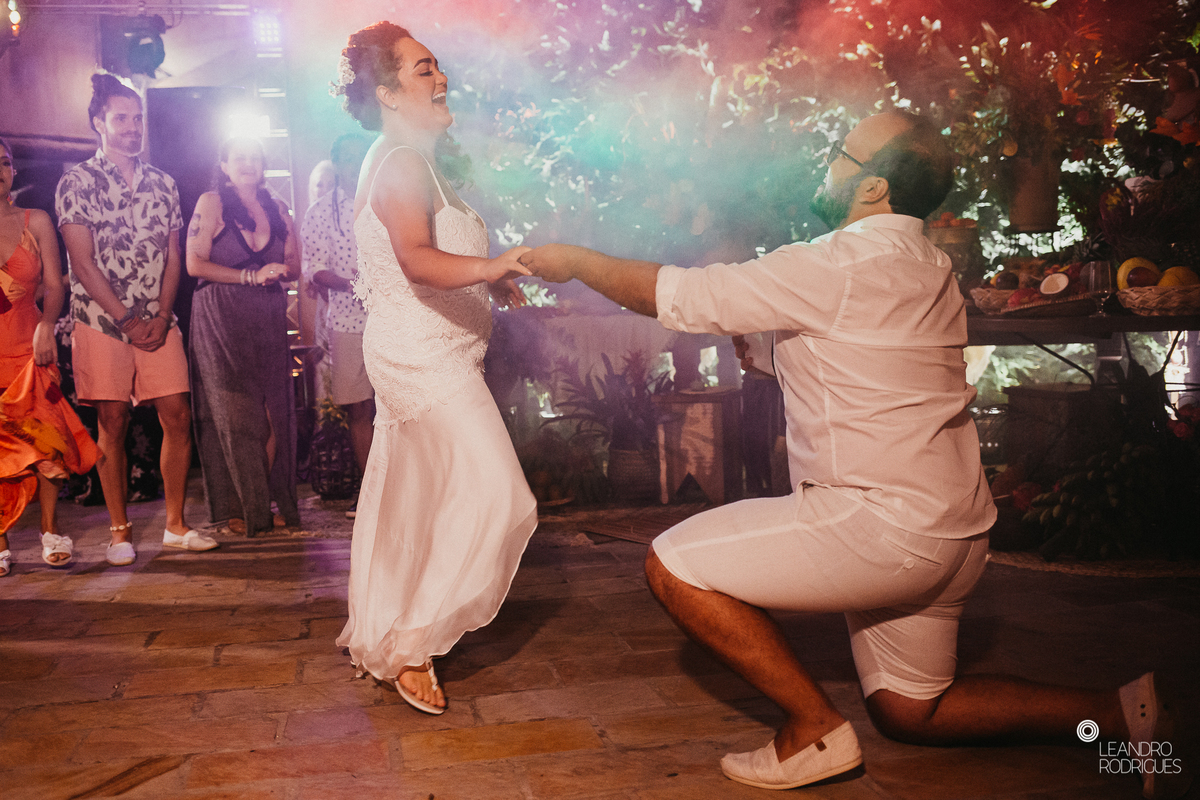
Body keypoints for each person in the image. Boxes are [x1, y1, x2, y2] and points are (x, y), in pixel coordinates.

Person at [521, 111, 1188, 799]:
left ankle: (813, 730)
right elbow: (873, 361)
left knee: (673, 566)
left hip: (881, 530)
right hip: (955, 534)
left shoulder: (833, 262)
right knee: (914, 711)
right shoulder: (931, 265)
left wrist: (577, 262)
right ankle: (1117, 714)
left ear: (873, 187)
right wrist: (772, 356)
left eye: (842, 153)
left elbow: (678, 297)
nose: (829, 163)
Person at [331, 20, 536, 715]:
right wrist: (491, 266)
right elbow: (416, 259)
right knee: (503, 495)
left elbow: (433, 255)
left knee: (418, 496)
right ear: (388, 93)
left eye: (437, 65)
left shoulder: (418, 162)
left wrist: (488, 282)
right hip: (420, 354)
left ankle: (389, 627)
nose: (440, 77)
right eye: (423, 69)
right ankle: (411, 642)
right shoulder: (399, 163)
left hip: (435, 347)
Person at [55, 74, 216, 566]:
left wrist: (163, 315)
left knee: (178, 413)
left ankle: (175, 526)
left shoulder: (163, 183)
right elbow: (82, 263)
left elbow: (173, 257)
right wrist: (127, 321)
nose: (132, 127)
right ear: (98, 123)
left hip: (158, 320)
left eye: (138, 118)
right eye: (121, 118)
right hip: (101, 320)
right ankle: (119, 531)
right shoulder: (76, 182)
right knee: (113, 421)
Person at [185, 137, 301, 536]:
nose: (248, 163)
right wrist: (250, 275)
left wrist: (284, 267)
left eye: (254, 156)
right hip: (221, 316)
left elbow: (294, 266)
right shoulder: (211, 203)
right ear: (224, 165)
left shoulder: (278, 208)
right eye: (239, 157)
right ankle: (242, 508)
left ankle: (260, 501)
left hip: (267, 317)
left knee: (272, 416)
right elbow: (194, 263)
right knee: (236, 416)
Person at [0, 138, 100, 575]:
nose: (0, 170)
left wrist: (47, 325)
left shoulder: (35, 219)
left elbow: (57, 284)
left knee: (46, 438)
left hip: (31, 346)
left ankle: (51, 529)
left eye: (4, 163)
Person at [300, 134, 373, 519]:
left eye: (360, 157)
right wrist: (350, 284)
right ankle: (372, 493)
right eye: (346, 158)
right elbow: (313, 267)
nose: (354, 165)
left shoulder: (387, 200)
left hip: (396, 316)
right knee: (359, 407)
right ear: (336, 162)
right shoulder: (319, 212)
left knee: (398, 404)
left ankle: (405, 491)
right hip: (346, 319)